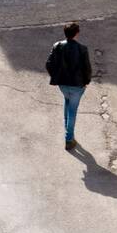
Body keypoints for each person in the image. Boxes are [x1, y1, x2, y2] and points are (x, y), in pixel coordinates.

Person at [46, 21, 92, 149]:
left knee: (67, 101)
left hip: (62, 84)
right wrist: (86, 82)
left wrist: (55, 77)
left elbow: (49, 64)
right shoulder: (82, 49)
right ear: (77, 33)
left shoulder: (57, 46)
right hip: (77, 86)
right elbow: (87, 69)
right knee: (72, 111)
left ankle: (68, 131)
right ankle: (69, 139)